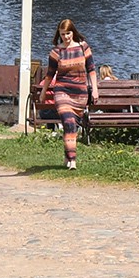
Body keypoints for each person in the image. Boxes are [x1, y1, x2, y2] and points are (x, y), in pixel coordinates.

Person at [39, 17, 98, 170]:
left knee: (72, 126)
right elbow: (50, 74)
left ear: (73, 32)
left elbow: (91, 70)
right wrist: (44, 92)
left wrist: (95, 89)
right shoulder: (56, 52)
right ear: (59, 34)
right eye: (63, 34)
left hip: (80, 93)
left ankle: (67, 154)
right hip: (62, 91)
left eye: (68, 33)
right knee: (68, 121)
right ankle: (73, 160)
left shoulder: (83, 47)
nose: (66, 37)